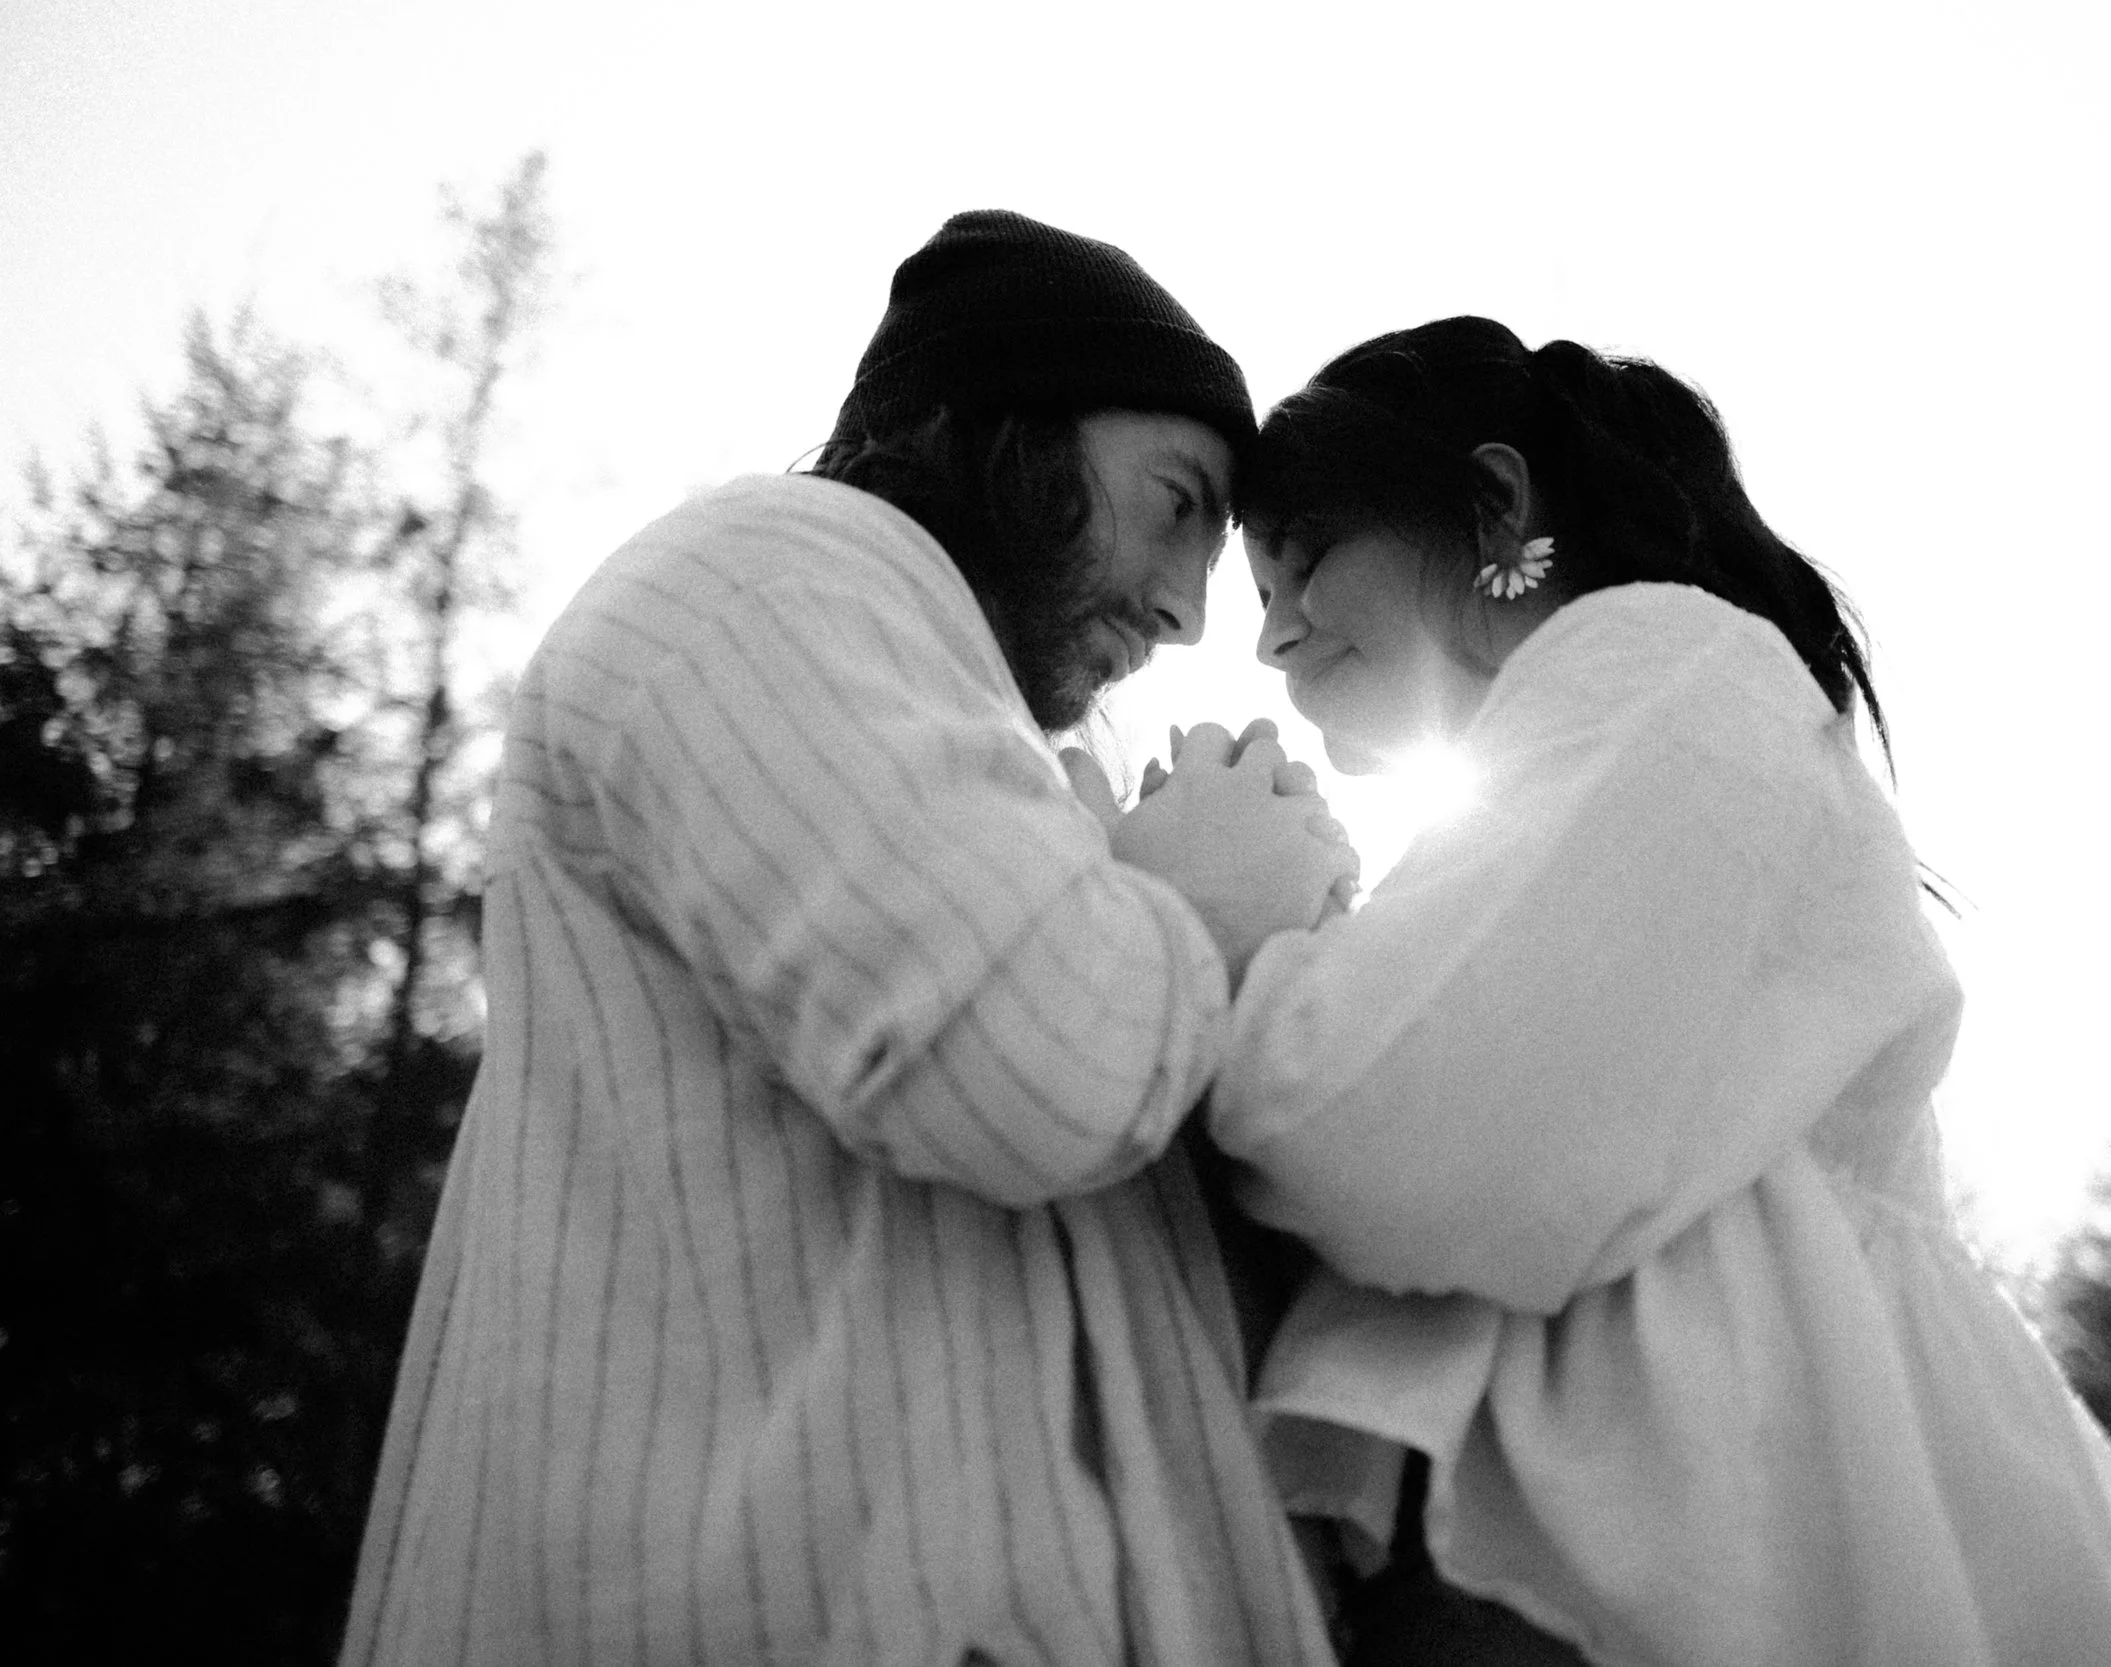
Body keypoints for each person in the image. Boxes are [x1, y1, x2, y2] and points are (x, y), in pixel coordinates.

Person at [340, 211, 1352, 1666]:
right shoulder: (772, 573)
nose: (1188, 612)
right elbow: (1031, 1068)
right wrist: (1215, 897)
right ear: (1006, 424)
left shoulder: (997, 744)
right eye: (1176, 502)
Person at [1200, 315, 2111, 1665]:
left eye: (1303, 562)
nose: (1273, 639)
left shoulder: (1671, 663)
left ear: (1495, 503)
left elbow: (1376, 1130)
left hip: (1716, 1526)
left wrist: (1229, 911)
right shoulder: (1594, 767)